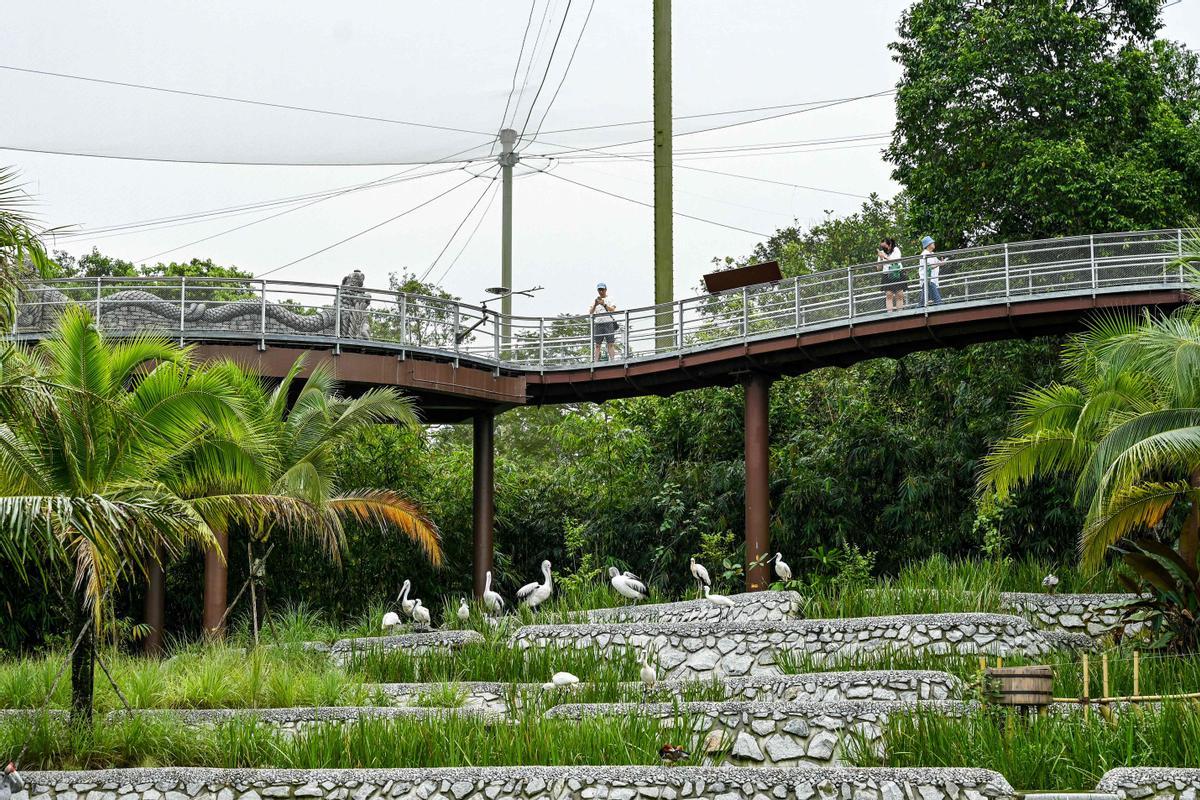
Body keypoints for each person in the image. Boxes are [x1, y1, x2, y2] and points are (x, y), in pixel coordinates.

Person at [589, 282, 619, 361]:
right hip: (598, 324)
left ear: (605, 290)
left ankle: (612, 360)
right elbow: (590, 312)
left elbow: (612, 309)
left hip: (608, 323)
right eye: (599, 290)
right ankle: (595, 362)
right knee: (597, 345)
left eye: (602, 289)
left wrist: (604, 304)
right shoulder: (595, 301)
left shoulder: (610, 299)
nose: (601, 291)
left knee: (610, 344)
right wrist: (595, 304)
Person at [877, 237, 906, 312]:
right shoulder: (881, 253)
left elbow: (896, 261)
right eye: (882, 246)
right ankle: (890, 314)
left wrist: (885, 257)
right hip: (887, 275)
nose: (883, 248)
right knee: (889, 295)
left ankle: (900, 313)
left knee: (899, 294)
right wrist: (880, 258)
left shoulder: (896, 250)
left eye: (884, 246)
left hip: (897, 273)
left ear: (889, 245)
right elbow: (879, 268)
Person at [918, 235, 942, 306]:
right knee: (938, 300)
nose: (934, 243)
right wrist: (939, 264)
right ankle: (941, 312)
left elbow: (937, 263)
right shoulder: (925, 254)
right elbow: (929, 267)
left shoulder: (932, 254)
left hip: (931, 280)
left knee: (922, 302)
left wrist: (941, 262)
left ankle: (917, 312)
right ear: (928, 245)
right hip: (928, 280)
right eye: (932, 243)